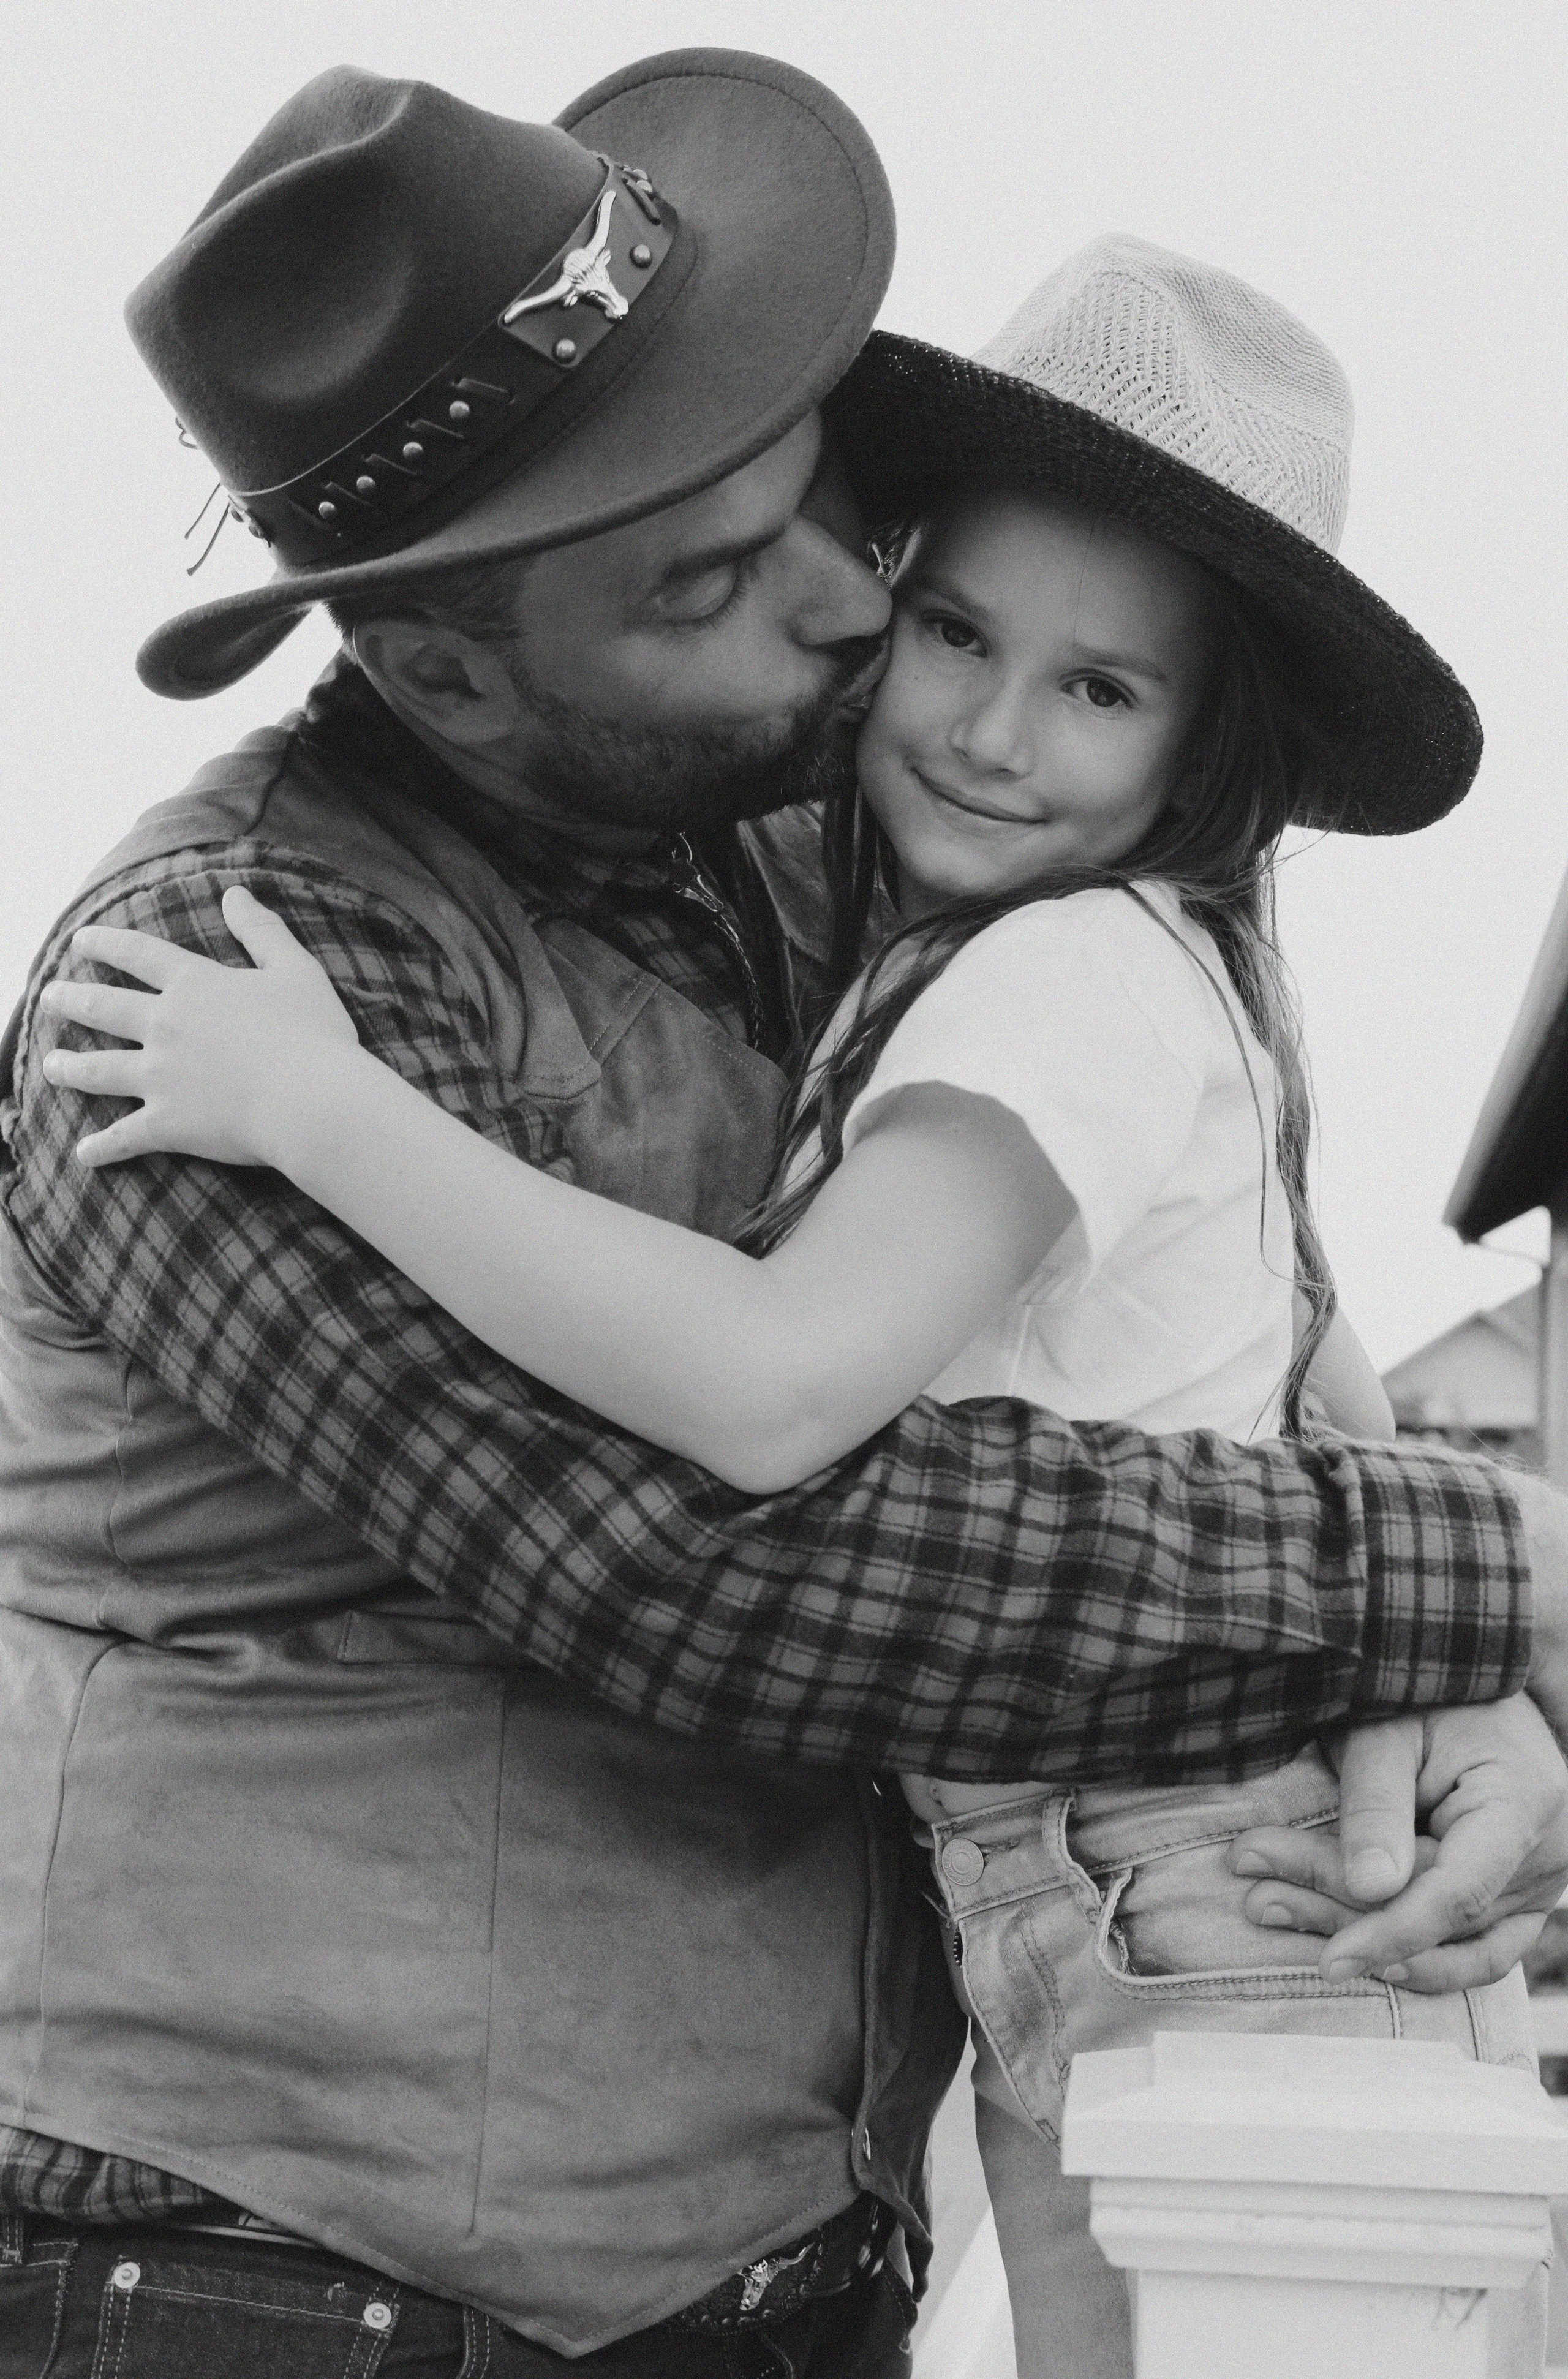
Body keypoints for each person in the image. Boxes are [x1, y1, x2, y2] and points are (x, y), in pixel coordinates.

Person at [4, 53, 1568, 2379]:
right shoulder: (220, 992)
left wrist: (1488, 1690)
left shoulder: (877, 833)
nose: (855, 614)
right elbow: (726, 1564)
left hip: (777, 2264)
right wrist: (1484, 1567)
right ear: (441, 658)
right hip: (280, 2280)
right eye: (719, 578)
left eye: (834, 505)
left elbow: (1224, 1279)